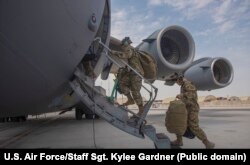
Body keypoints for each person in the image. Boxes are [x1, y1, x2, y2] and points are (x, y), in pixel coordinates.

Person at [171, 73, 215, 149]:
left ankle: (207, 143)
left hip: (192, 109)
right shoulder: (183, 85)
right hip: (186, 109)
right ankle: (179, 141)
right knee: (179, 124)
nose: (176, 83)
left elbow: (192, 95)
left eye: (176, 80)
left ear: (179, 79)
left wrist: (181, 95)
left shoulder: (187, 83)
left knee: (193, 126)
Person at [110, 37, 144, 116]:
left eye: (123, 44)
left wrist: (113, 52)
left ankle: (141, 109)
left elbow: (125, 55)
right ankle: (130, 99)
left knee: (135, 91)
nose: (122, 46)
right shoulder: (129, 49)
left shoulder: (129, 49)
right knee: (122, 84)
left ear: (126, 44)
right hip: (131, 73)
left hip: (136, 73)